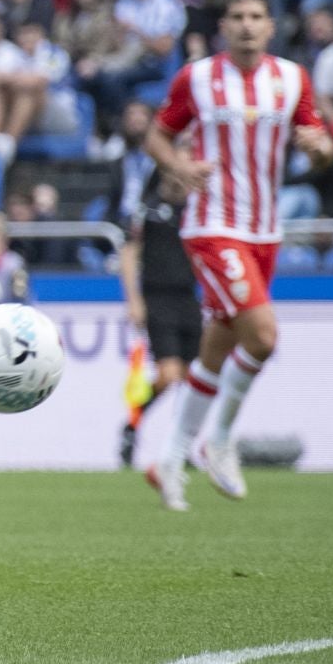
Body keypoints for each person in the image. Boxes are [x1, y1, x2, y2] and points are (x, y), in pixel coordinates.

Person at [141, 0, 333, 511]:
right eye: (237, 17)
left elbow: (318, 143)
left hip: (265, 231)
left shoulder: (293, 79)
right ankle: (219, 439)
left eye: (256, 17)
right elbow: (157, 136)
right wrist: (178, 167)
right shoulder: (197, 78)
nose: (247, 26)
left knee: (217, 347)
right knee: (264, 336)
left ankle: (170, 457)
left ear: (271, 26)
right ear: (224, 26)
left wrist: (320, 151)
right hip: (213, 225)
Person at [117, 170, 201, 468]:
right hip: (158, 299)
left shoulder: (195, 210)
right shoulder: (147, 210)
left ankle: (181, 445)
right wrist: (134, 300)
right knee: (167, 376)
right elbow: (129, 255)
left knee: (193, 379)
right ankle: (131, 427)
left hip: (189, 298)